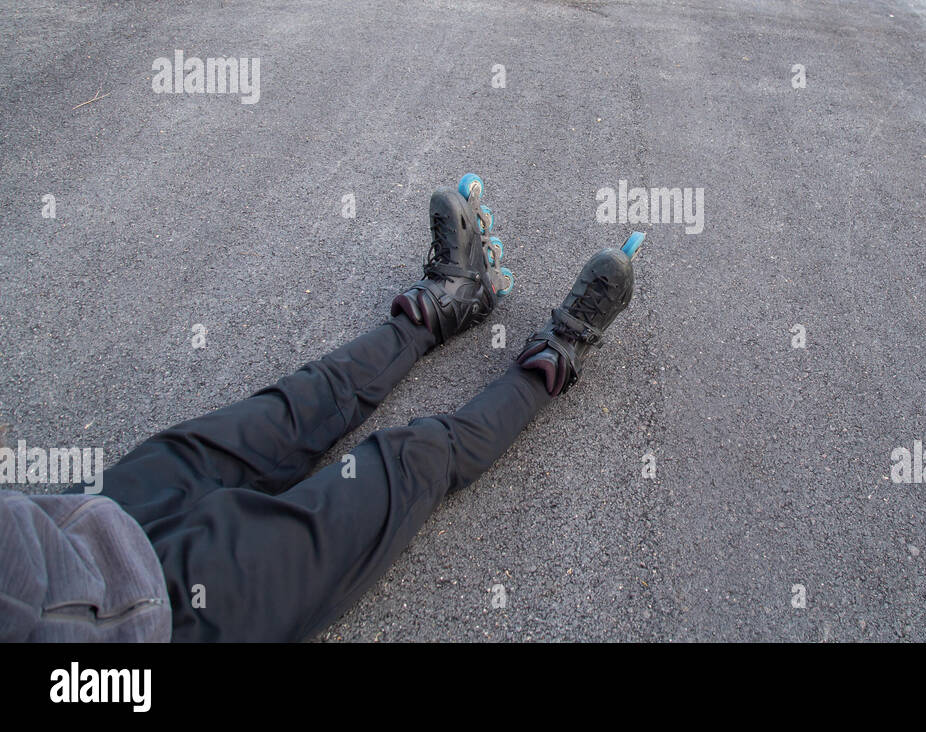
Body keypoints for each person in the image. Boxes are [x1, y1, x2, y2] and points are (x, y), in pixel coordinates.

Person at [0, 174, 643, 642]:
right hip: (153, 630)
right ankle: (554, 361)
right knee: (409, 460)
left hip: (79, 520)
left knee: (294, 407)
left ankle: (444, 308)